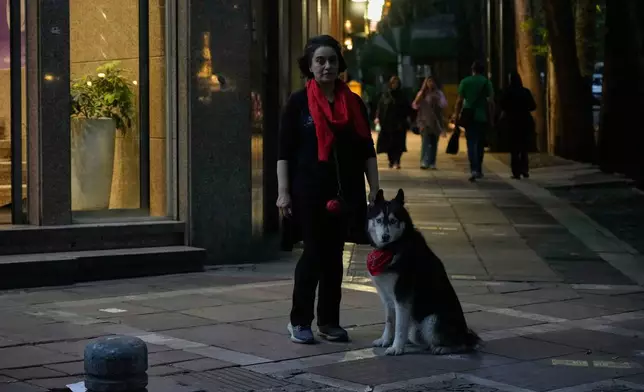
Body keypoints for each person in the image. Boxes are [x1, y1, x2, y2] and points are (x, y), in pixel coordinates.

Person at [275, 35, 380, 344]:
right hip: (308, 190)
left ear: (340, 65)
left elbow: (366, 150)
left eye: (332, 60)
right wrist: (283, 193)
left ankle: (329, 321)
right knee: (314, 253)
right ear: (309, 66)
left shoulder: (353, 102)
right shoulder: (298, 102)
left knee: (335, 256)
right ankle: (299, 320)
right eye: (320, 61)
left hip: (345, 191)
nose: (327, 66)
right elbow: (284, 151)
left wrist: (374, 188)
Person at [454, 61, 494, 182]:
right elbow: (491, 101)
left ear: (472, 70)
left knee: (471, 143)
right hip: (481, 116)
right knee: (480, 144)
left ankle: (473, 169)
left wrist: (456, 115)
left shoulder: (465, 82)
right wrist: (491, 117)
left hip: (468, 116)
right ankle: (479, 169)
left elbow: (459, 100)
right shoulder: (486, 82)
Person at [499, 71, 537, 179]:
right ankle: (524, 170)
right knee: (524, 148)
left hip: (512, 122)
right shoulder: (525, 92)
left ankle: (516, 172)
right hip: (525, 121)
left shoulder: (507, 92)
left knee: (514, 149)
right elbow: (533, 106)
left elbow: (502, 105)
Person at [375, 76, 411, 169]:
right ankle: (391, 160)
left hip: (399, 124)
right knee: (389, 143)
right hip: (387, 124)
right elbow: (380, 107)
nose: (395, 85)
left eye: (396, 83)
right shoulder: (385, 95)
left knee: (398, 143)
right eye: (393, 83)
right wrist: (377, 118)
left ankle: (397, 161)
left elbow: (407, 108)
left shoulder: (402, 96)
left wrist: (407, 119)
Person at [412, 77, 447, 170]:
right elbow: (415, 106)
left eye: (432, 81)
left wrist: (437, 100)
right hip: (424, 121)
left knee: (434, 142)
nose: (431, 83)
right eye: (429, 81)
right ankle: (424, 161)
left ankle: (432, 162)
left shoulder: (439, 94)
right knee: (425, 141)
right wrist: (419, 99)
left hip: (436, 121)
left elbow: (444, 105)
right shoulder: (422, 93)